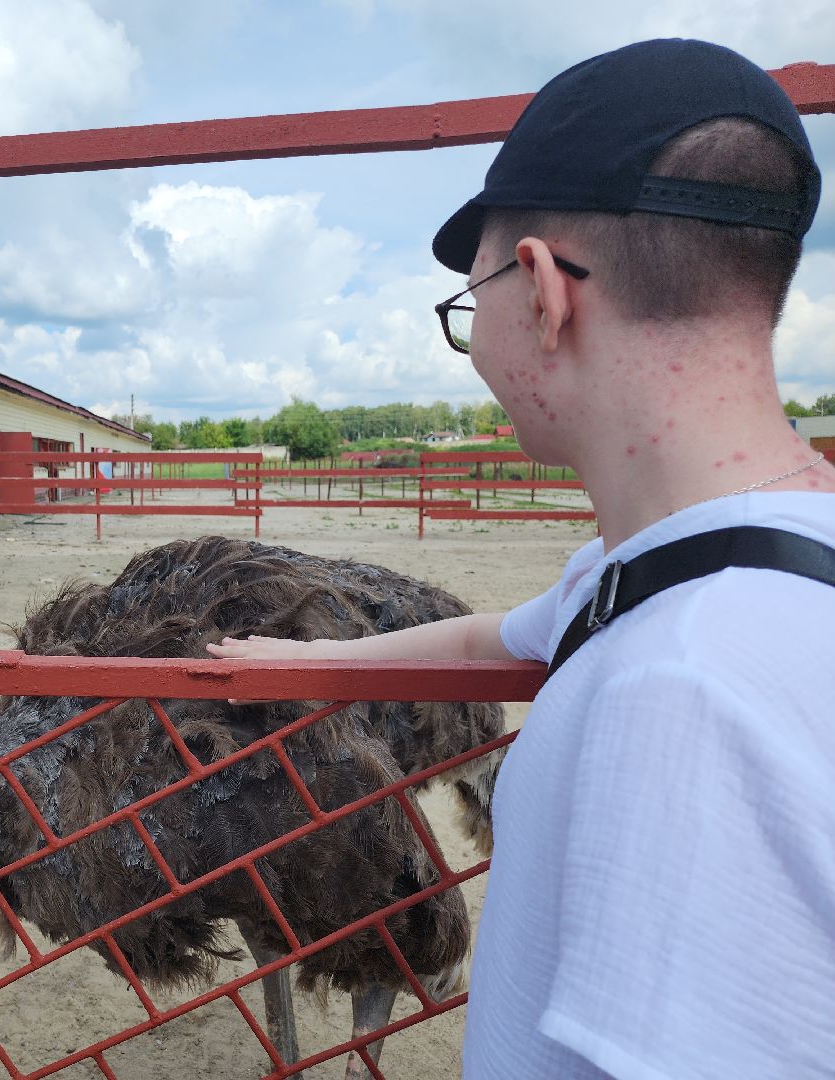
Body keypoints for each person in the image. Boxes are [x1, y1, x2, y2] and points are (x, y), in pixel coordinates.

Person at [208, 39, 835, 1079]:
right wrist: (298, 660)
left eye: (472, 299)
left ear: (541, 290)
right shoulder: (684, 571)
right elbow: (494, 634)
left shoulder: (680, 694)